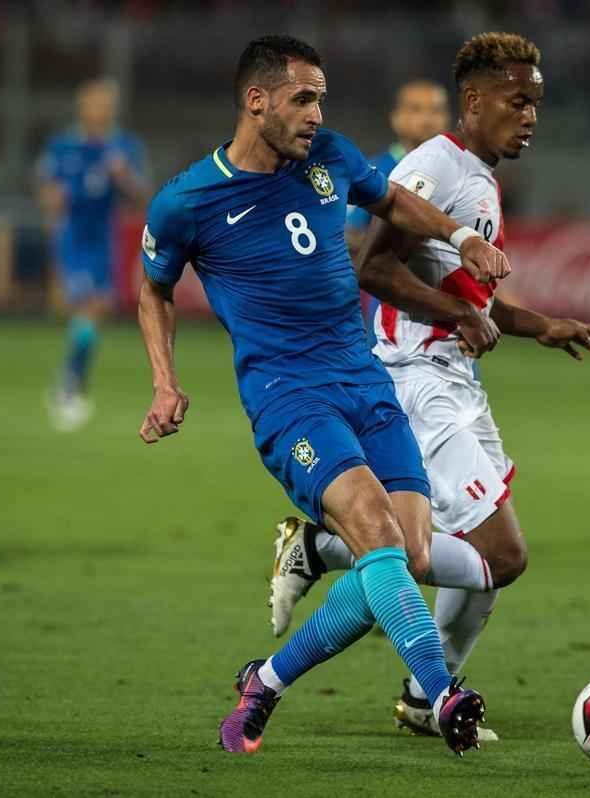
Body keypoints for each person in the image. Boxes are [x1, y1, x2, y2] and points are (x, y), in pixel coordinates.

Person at [138, 35, 510, 756]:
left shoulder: (330, 155)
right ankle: (442, 692)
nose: (316, 114)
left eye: (321, 100)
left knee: (411, 557)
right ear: (257, 101)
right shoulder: (187, 200)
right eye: (303, 98)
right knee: (376, 537)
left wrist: (460, 234)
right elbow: (153, 288)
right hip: (290, 397)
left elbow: (392, 200)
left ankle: (265, 683)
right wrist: (164, 380)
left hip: (365, 379)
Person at [267, 32, 590, 741]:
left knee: (478, 557)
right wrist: (457, 313)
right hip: (417, 381)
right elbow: (372, 263)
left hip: (458, 380)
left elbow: (465, 296)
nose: (531, 116)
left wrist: (538, 324)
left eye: (537, 103)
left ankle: (424, 701)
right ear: (474, 101)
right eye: (518, 101)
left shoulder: (480, 176)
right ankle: (324, 549)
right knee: (499, 555)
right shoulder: (437, 168)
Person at [38, 78, 149, 431]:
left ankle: (69, 381)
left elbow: (141, 196)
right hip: (73, 237)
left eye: (107, 103)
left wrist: (124, 176)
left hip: (105, 237)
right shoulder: (61, 146)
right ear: (82, 106)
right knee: (89, 307)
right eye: (95, 102)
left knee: (97, 310)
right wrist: (53, 210)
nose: (101, 109)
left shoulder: (125, 146)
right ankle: (69, 387)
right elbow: (48, 193)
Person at [345, 80, 450, 259]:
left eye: (436, 110)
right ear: (396, 118)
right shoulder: (374, 171)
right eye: (416, 109)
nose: (427, 120)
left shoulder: (460, 172)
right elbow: (348, 234)